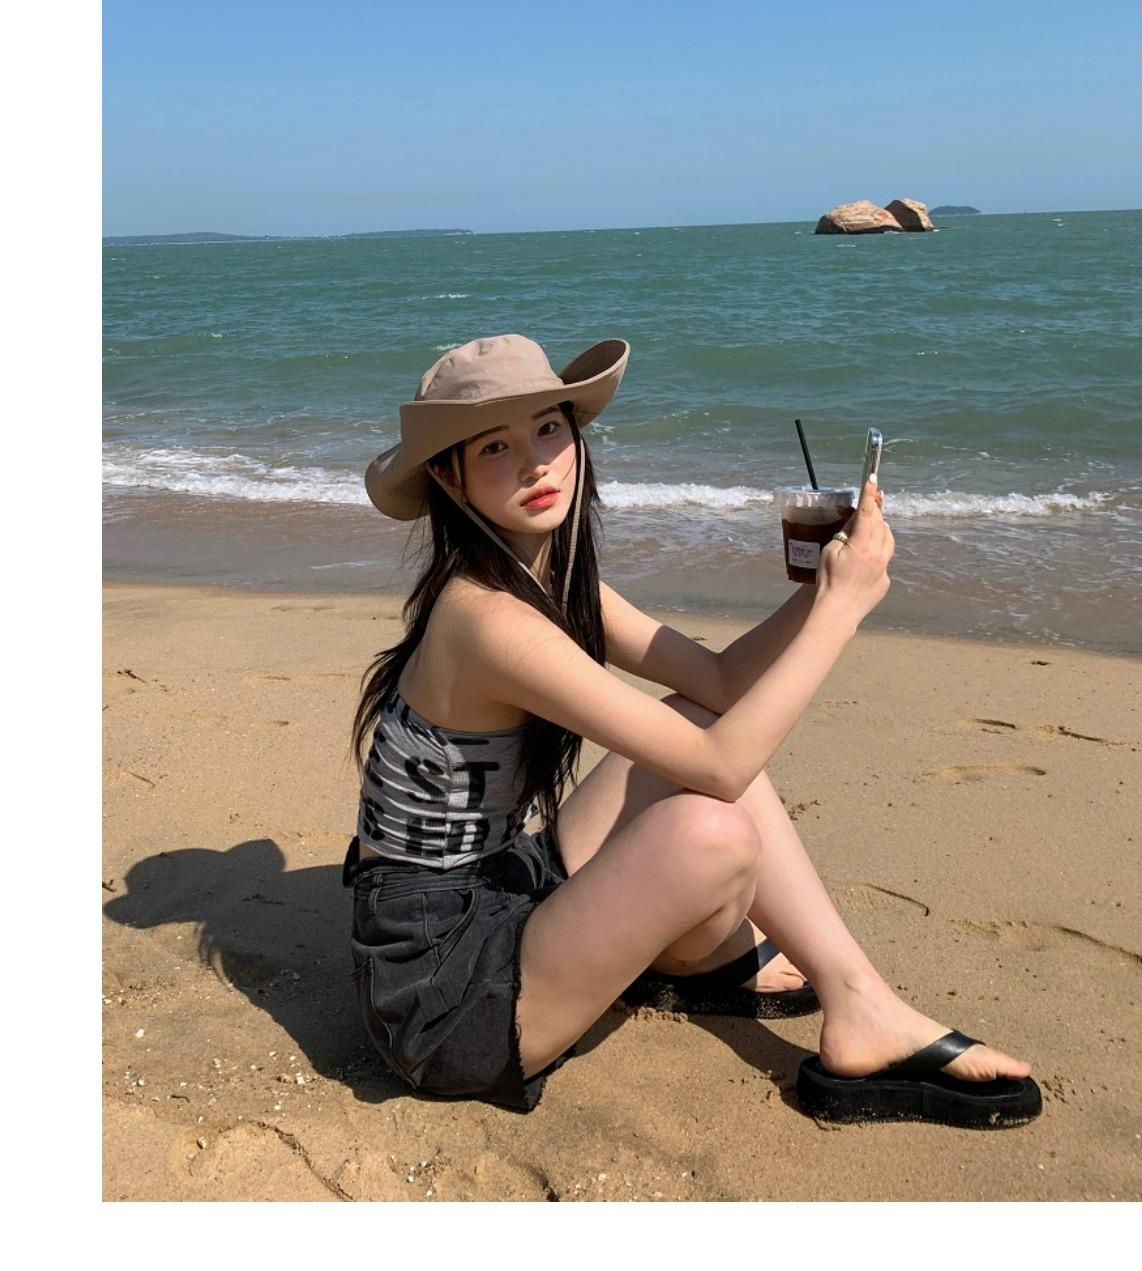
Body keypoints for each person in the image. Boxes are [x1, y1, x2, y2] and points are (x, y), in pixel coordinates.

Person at [344, 333, 1041, 1127]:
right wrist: (843, 610)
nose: (536, 464)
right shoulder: (485, 620)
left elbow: (717, 684)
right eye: (495, 447)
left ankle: (853, 999)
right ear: (449, 476)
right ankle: (848, 1002)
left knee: (690, 721)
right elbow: (721, 766)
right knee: (712, 834)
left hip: (504, 880)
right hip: (440, 992)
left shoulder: (546, 580)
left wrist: (823, 587)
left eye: (548, 429)